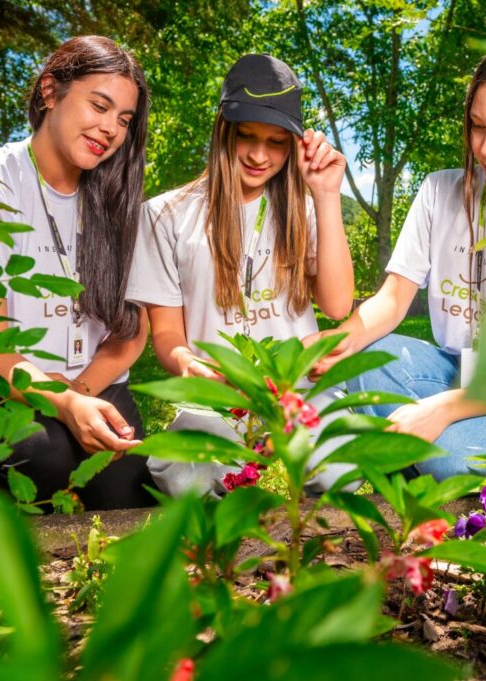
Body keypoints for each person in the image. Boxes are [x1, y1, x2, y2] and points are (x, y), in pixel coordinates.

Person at [306, 41, 486, 480]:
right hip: (455, 371)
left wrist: (441, 410)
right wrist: (332, 345)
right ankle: (425, 448)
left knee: (453, 455)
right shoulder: (439, 191)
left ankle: (425, 451)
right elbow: (392, 300)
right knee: (369, 358)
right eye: (477, 127)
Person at [0, 36, 155, 509]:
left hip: (94, 385)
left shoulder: (118, 199)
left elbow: (132, 332)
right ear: (51, 91)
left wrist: (78, 397)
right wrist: (64, 406)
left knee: (136, 489)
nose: (110, 129)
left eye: (124, 120)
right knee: (48, 455)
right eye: (99, 106)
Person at [127, 53, 355, 497]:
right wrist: (190, 365)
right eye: (246, 136)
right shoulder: (163, 216)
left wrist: (327, 196)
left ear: (292, 146)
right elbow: (168, 335)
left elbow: (338, 304)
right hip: (216, 399)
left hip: (298, 392)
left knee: (340, 465)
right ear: (222, 130)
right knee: (186, 474)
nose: (257, 154)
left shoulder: (306, 210)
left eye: (276, 142)